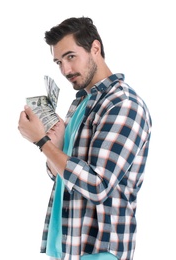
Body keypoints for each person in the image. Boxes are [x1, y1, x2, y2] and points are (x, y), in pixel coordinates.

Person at [18, 17, 152, 260]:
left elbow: (97, 185)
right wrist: (55, 145)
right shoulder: (81, 102)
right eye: (59, 61)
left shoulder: (123, 104)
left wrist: (42, 143)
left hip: (99, 251)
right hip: (67, 247)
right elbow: (59, 175)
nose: (65, 70)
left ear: (95, 49)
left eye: (71, 56)